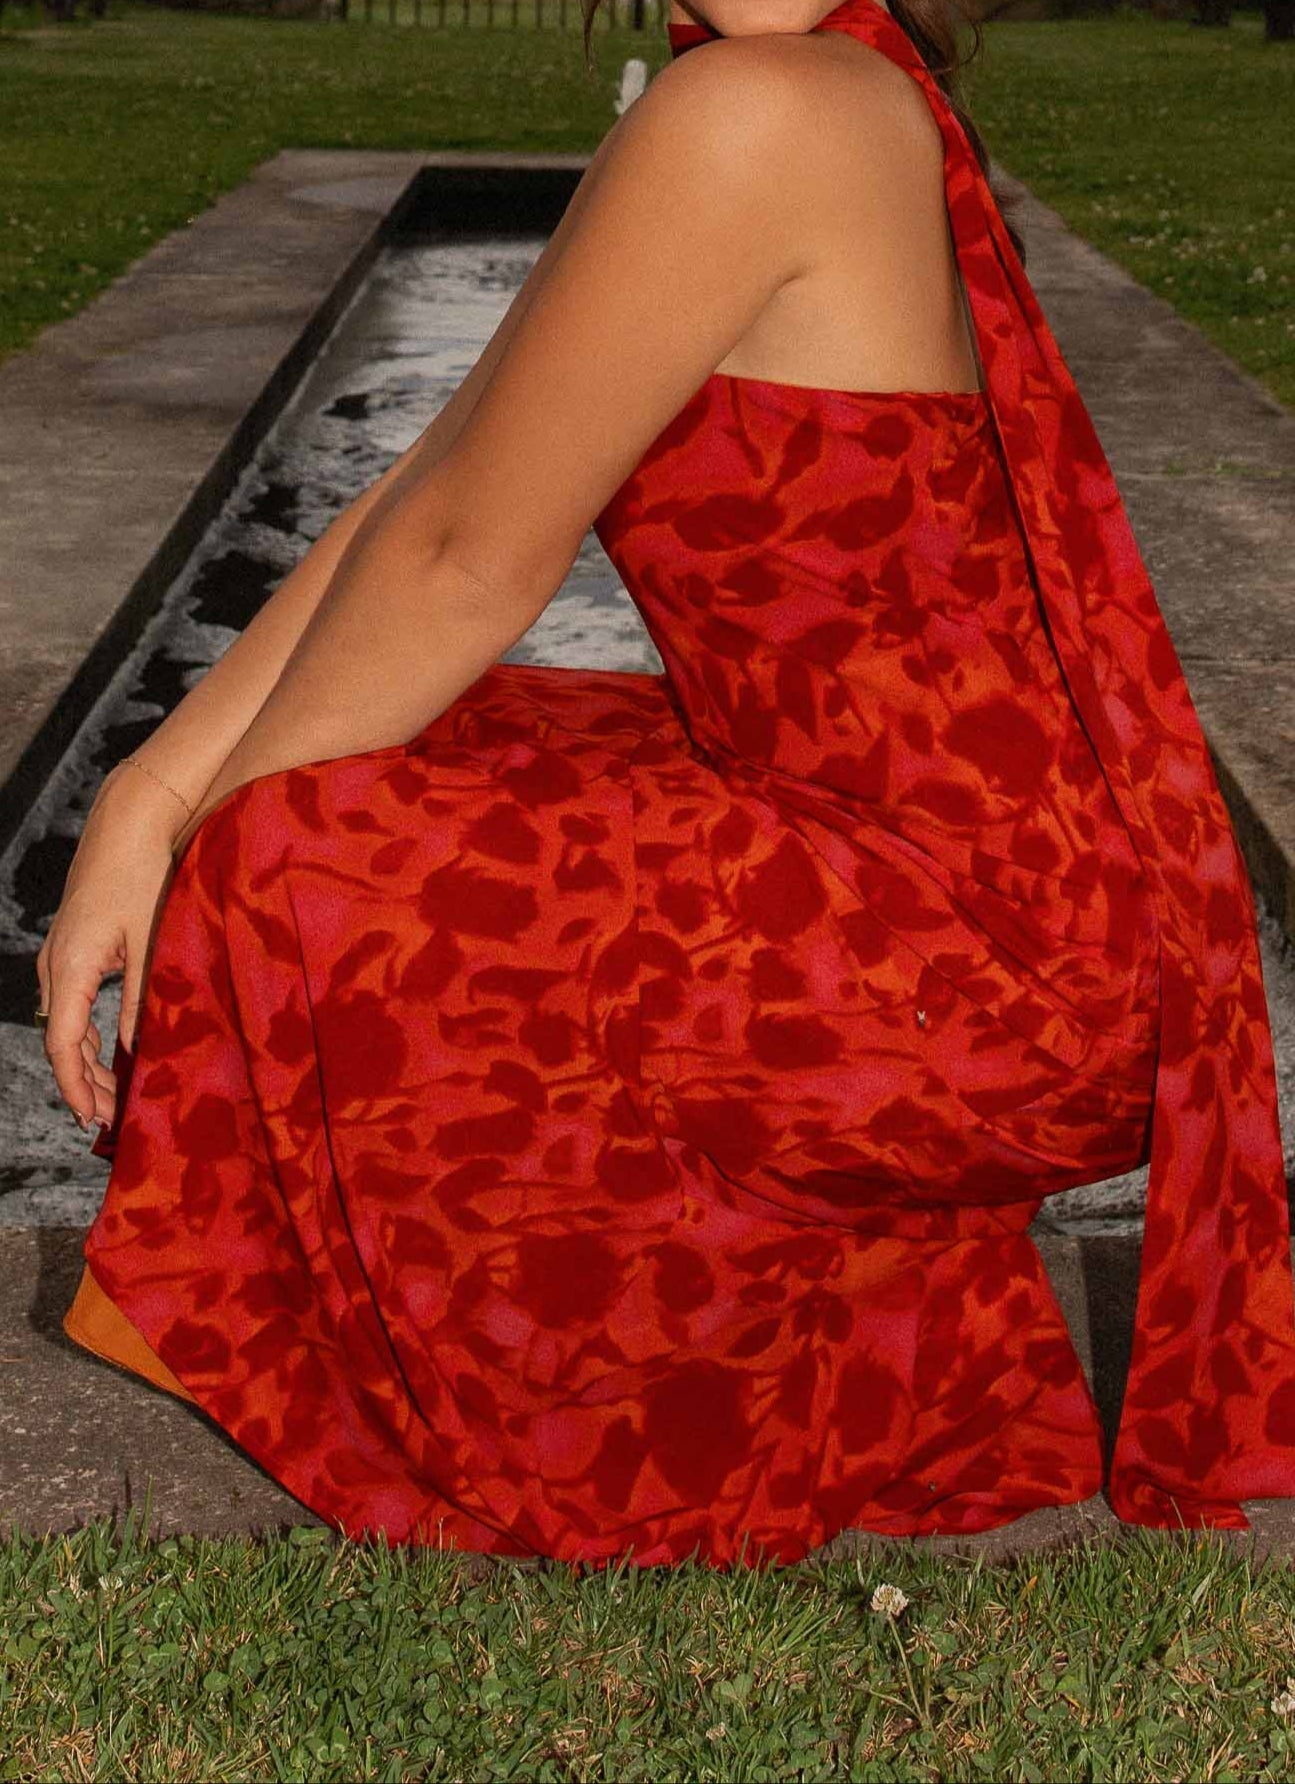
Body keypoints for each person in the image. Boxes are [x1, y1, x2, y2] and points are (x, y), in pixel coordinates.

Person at [43, 0, 1295, 1569]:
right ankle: (813, 1359)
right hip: (983, 904)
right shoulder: (810, 90)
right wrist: (151, 797)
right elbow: (439, 484)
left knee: (319, 848)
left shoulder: (762, 109)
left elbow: (467, 565)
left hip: (987, 966)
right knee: (443, 752)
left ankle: (455, 1368)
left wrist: (228, 877)